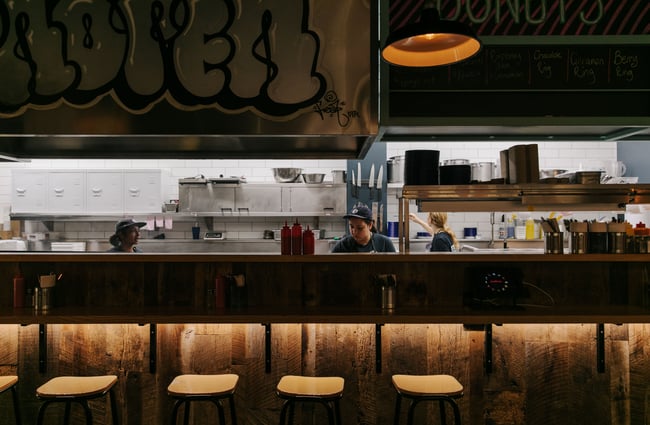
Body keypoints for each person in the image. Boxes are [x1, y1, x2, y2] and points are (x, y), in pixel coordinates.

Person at [331, 205, 396, 253]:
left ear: (370, 225)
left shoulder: (385, 243)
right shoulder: (342, 245)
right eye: (351, 226)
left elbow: (395, 268)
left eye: (360, 228)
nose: (354, 231)